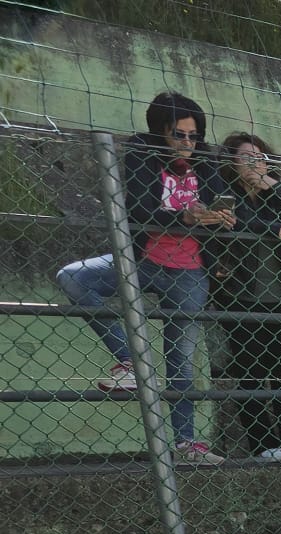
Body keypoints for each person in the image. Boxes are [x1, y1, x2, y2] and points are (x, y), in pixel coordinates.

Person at [55, 90, 231, 465]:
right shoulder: (142, 154)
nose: (187, 143)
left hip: (190, 271)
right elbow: (139, 210)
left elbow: (219, 205)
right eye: (178, 135)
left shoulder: (205, 161)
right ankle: (131, 362)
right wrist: (184, 217)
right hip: (142, 260)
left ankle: (186, 443)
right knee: (73, 278)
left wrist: (224, 219)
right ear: (159, 132)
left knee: (181, 359)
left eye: (193, 135)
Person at [210, 132, 281, 463]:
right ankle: (262, 444)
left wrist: (277, 189)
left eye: (260, 158)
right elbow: (230, 222)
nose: (256, 164)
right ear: (232, 163)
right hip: (239, 296)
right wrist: (272, 228)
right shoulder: (224, 194)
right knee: (250, 372)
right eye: (246, 158)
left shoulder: (276, 194)